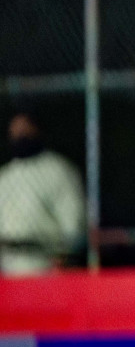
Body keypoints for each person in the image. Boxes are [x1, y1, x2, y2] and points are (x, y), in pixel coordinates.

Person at [0, 113, 85, 276]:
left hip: (45, 268)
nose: (20, 134)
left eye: (25, 129)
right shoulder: (5, 176)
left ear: (36, 130)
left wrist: (63, 256)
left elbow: (73, 219)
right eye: (15, 131)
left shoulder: (58, 170)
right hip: (8, 270)